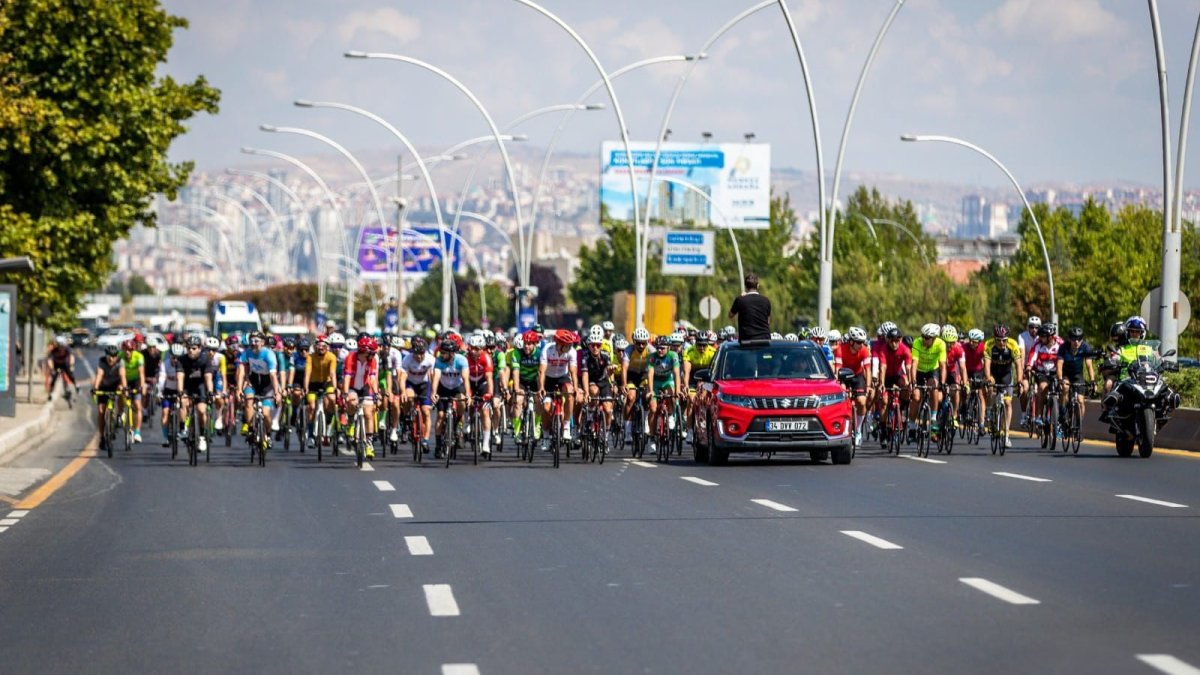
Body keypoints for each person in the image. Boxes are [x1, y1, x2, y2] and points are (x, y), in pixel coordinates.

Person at [983, 324, 1023, 448]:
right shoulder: (988, 345)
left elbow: (1018, 365)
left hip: (1006, 375)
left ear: (1007, 339)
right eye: (998, 340)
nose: (1001, 343)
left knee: (1008, 403)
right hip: (994, 374)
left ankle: (1006, 435)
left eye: (1004, 340)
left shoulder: (1013, 345)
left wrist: (1020, 381)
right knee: (989, 386)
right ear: (994, 339)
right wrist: (988, 379)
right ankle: (989, 410)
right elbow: (987, 365)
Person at [92, 345, 127, 452]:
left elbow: (122, 376)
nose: (111, 358)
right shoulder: (101, 362)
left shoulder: (120, 362)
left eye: (113, 356)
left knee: (122, 393)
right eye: (109, 356)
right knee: (101, 412)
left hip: (115, 385)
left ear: (117, 356)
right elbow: (99, 375)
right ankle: (102, 437)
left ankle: (119, 415)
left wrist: (124, 387)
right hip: (103, 387)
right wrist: (95, 388)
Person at [728, 273, 771, 341]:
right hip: (764, 339)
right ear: (758, 286)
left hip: (746, 340)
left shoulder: (740, 300)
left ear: (746, 287)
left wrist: (741, 297)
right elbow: (768, 321)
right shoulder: (766, 301)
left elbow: (730, 315)